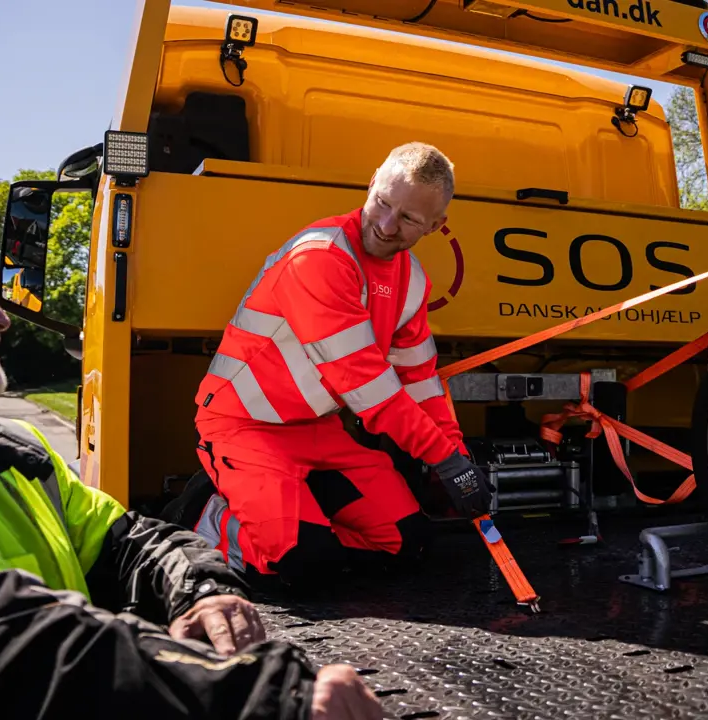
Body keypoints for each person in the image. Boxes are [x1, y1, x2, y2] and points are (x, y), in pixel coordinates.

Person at [0, 220, 382, 720]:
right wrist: (263, 699)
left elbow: (127, 539)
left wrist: (202, 590)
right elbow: (1, 651)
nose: (2, 319)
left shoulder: (11, 448)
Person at [181, 142, 491, 588]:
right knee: (302, 565)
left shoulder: (412, 280)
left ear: (435, 225)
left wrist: (457, 456)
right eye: (382, 202)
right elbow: (367, 387)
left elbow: (420, 381)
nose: (386, 225)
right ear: (372, 182)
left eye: (408, 218)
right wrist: (443, 460)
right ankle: (208, 515)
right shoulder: (320, 257)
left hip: (318, 432)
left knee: (409, 543)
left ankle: (298, 525)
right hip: (244, 428)